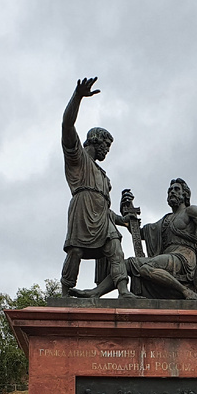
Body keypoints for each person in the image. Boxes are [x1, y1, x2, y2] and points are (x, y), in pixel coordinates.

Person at [60, 77, 132, 298]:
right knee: (76, 251)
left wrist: (123, 221)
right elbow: (67, 124)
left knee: (115, 246)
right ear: (95, 141)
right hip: (82, 208)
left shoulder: (104, 177)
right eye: (106, 145)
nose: (107, 151)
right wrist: (78, 96)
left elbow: (105, 209)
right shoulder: (78, 158)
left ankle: (123, 290)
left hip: (103, 218)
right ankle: (64, 292)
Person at [127, 178, 197, 299]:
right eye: (170, 190)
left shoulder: (191, 211)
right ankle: (104, 294)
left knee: (146, 268)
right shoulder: (165, 220)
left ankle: (185, 291)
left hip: (184, 258)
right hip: (168, 257)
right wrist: (128, 215)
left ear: (185, 194)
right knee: (128, 264)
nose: (172, 192)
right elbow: (140, 234)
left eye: (176, 189)